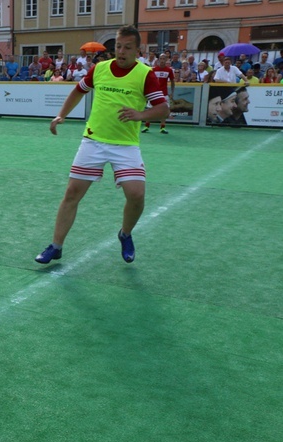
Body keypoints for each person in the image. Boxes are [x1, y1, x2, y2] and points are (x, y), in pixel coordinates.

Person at [35, 25, 168, 265]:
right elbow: (78, 91)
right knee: (72, 193)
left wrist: (140, 114)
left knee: (136, 195)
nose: (121, 51)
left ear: (138, 50)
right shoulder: (100, 69)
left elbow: (163, 108)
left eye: (128, 47)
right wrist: (61, 115)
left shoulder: (145, 74)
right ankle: (56, 246)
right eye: (118, 46)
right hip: (93, 141)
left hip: (126, 145)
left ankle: (125, 234)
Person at [142, 53, 174, 134]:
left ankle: (162, 127)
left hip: (164, 93)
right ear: (158, 60)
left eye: (164, 58)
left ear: (166, 60)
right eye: (161, 58)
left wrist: (172, 92)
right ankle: (146, 126)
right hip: (154, 93)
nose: (162, 60)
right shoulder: (153, 69)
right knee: (150, 109)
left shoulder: (169, 70)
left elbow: (173, 81)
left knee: (164, 110)